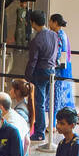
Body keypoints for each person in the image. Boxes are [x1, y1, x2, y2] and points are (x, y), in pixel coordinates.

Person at [23, 10, 58, 141]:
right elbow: (56, 53)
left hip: (40, 72)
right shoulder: (54, 35)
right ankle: (45, 126)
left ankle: (39, 132)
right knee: (48, 101)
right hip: (52, 71)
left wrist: (27, 76)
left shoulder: (36, 40)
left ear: (33, 23)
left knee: (39, 103)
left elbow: (33, 61)